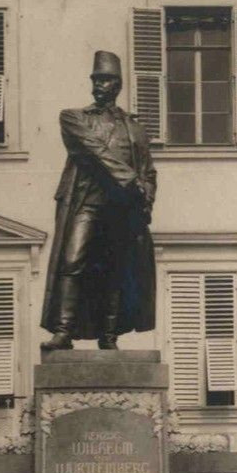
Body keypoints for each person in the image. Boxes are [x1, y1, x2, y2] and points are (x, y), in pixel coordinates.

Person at [40, 51, 157, 350]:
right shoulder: (74, 118)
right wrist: (130, 181)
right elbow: (94, 152)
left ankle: (109, 337)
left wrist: (146, 193)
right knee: (72, 260)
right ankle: (63, 331)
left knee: (117, 270)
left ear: (117, 85)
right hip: (86, 202)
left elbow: (149, 172)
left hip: (122, 208)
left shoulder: (136, 129)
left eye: (104, 80)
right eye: (95, 80)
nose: (97, 86)